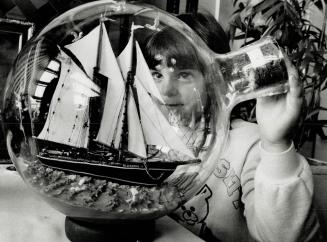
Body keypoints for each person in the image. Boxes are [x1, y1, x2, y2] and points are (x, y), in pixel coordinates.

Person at [142, 12, 323, 242]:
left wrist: (275, 144)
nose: (165, 90)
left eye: (183, 74)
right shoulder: (145, 134)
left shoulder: (249, 145)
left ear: (214, 80)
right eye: (157, 74)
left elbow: (285, 238)